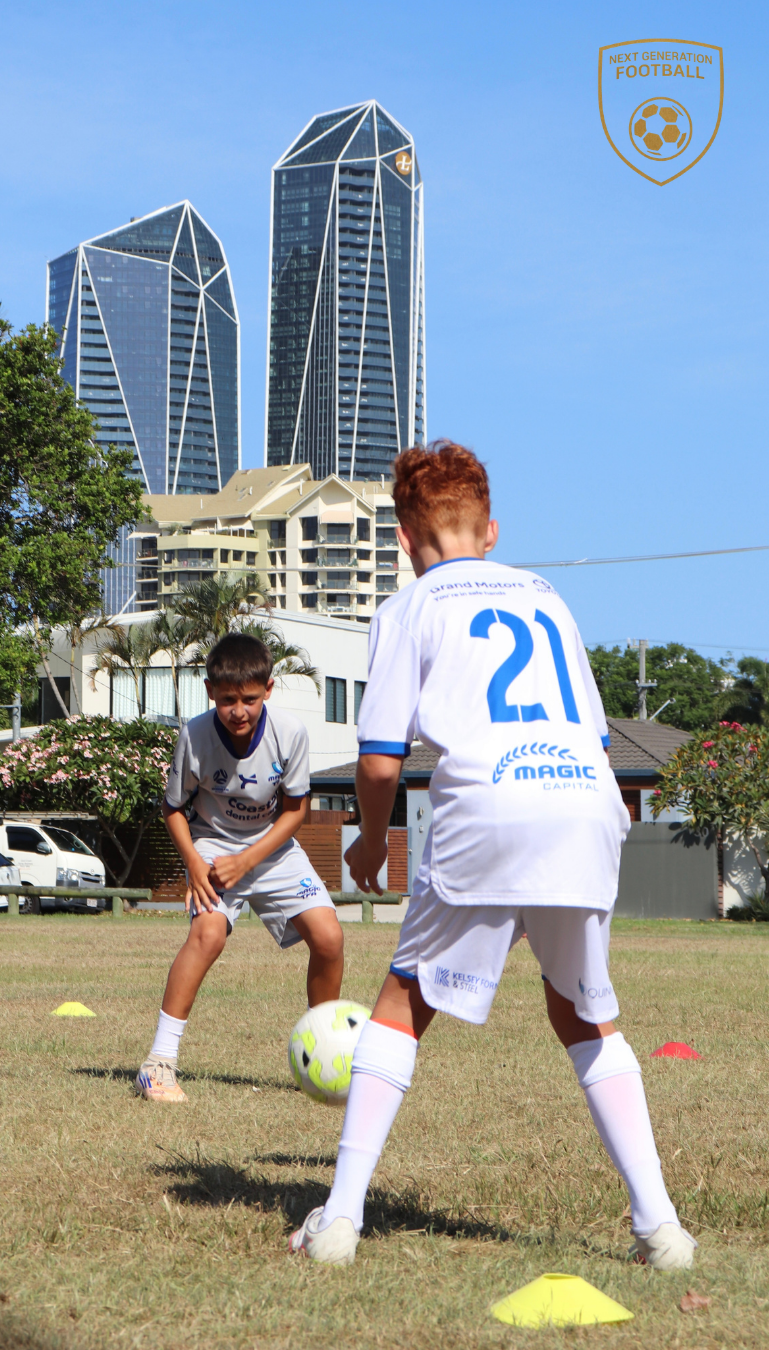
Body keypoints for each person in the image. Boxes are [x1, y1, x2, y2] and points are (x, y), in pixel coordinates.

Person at [290, 441, 695, 1271]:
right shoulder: (547, 594)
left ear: (404, 539)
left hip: (489, 801)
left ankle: (337, 1221)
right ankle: (661, 1227)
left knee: (401, 1003)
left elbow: (377, 760)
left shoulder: (410, 607)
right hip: (588, 797)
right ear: (492, 529)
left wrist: (370, 837)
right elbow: (588, 724)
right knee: (585, 1013)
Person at [135, 632, 345, 1103]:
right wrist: (193, 861)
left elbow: (296, 811)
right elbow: (173, 808)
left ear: (268, 690)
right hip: (211, 845)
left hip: (272, 847)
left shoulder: (290, 733)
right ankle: (158, 1064)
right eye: (227, 699)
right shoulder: (194, 735)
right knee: (207, 935)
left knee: (329, 938)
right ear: (210, 692)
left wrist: (249, 859)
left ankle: (322, 1057)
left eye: (250, 699)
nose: (239, 710)